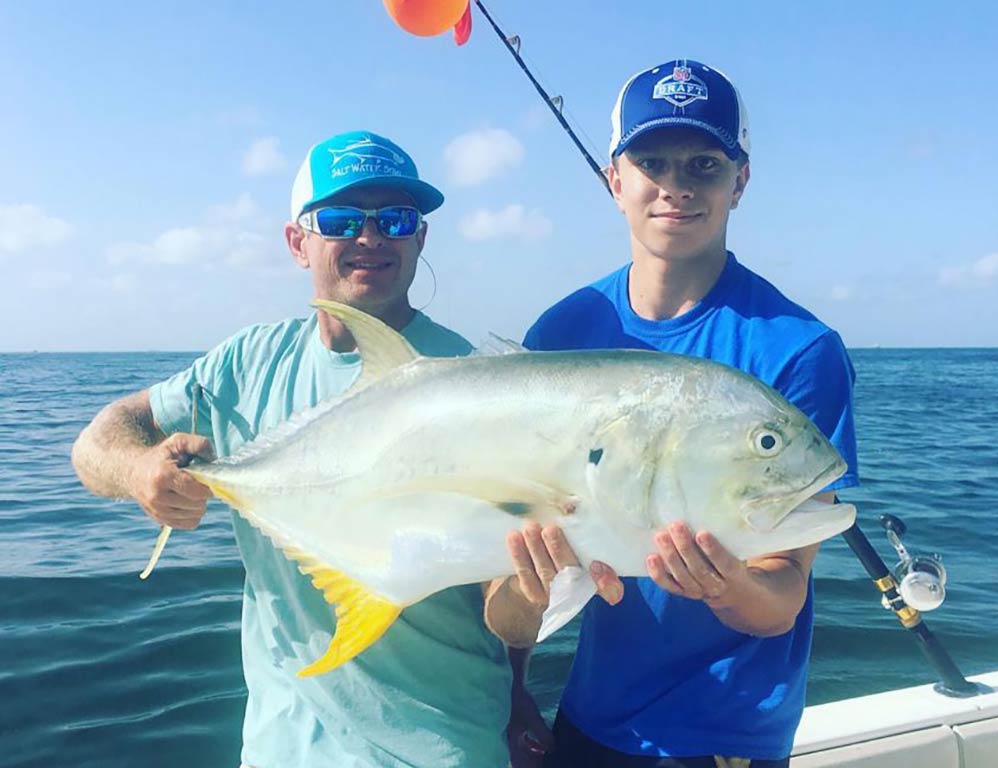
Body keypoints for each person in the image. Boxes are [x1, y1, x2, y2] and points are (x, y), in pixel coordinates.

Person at [71, 130, 516, 768]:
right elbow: (100, 436)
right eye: (340, 220)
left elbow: (507, 597)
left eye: (395, 219)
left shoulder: (474, 382)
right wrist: (140, 469)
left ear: (420, 238)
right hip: (281, 747)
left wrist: (537, 601)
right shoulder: (246, 364)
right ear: (297, 242)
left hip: (442, 747)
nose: (370, 238)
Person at [492, 59, 860, 768]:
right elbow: (515, 563)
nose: (677, 186)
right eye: (652, 161)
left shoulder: (799, 349)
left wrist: (729, 585)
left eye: (704, 163)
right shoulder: (563, 332)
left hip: (724, 740)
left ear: (740, 180)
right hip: (589, 720)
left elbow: (782, 593)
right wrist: (513, 694)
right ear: (615, 179)